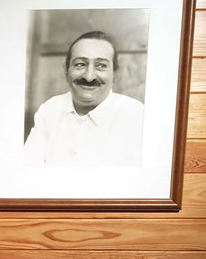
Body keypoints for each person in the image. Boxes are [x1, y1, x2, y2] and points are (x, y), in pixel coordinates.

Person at [24, 30, 144, 167]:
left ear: (114, 74)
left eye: (101, 66)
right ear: (66, 70)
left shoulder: (135, 114)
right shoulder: (50, 109)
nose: (89, 76)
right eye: (80, 64)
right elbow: (28, 170)